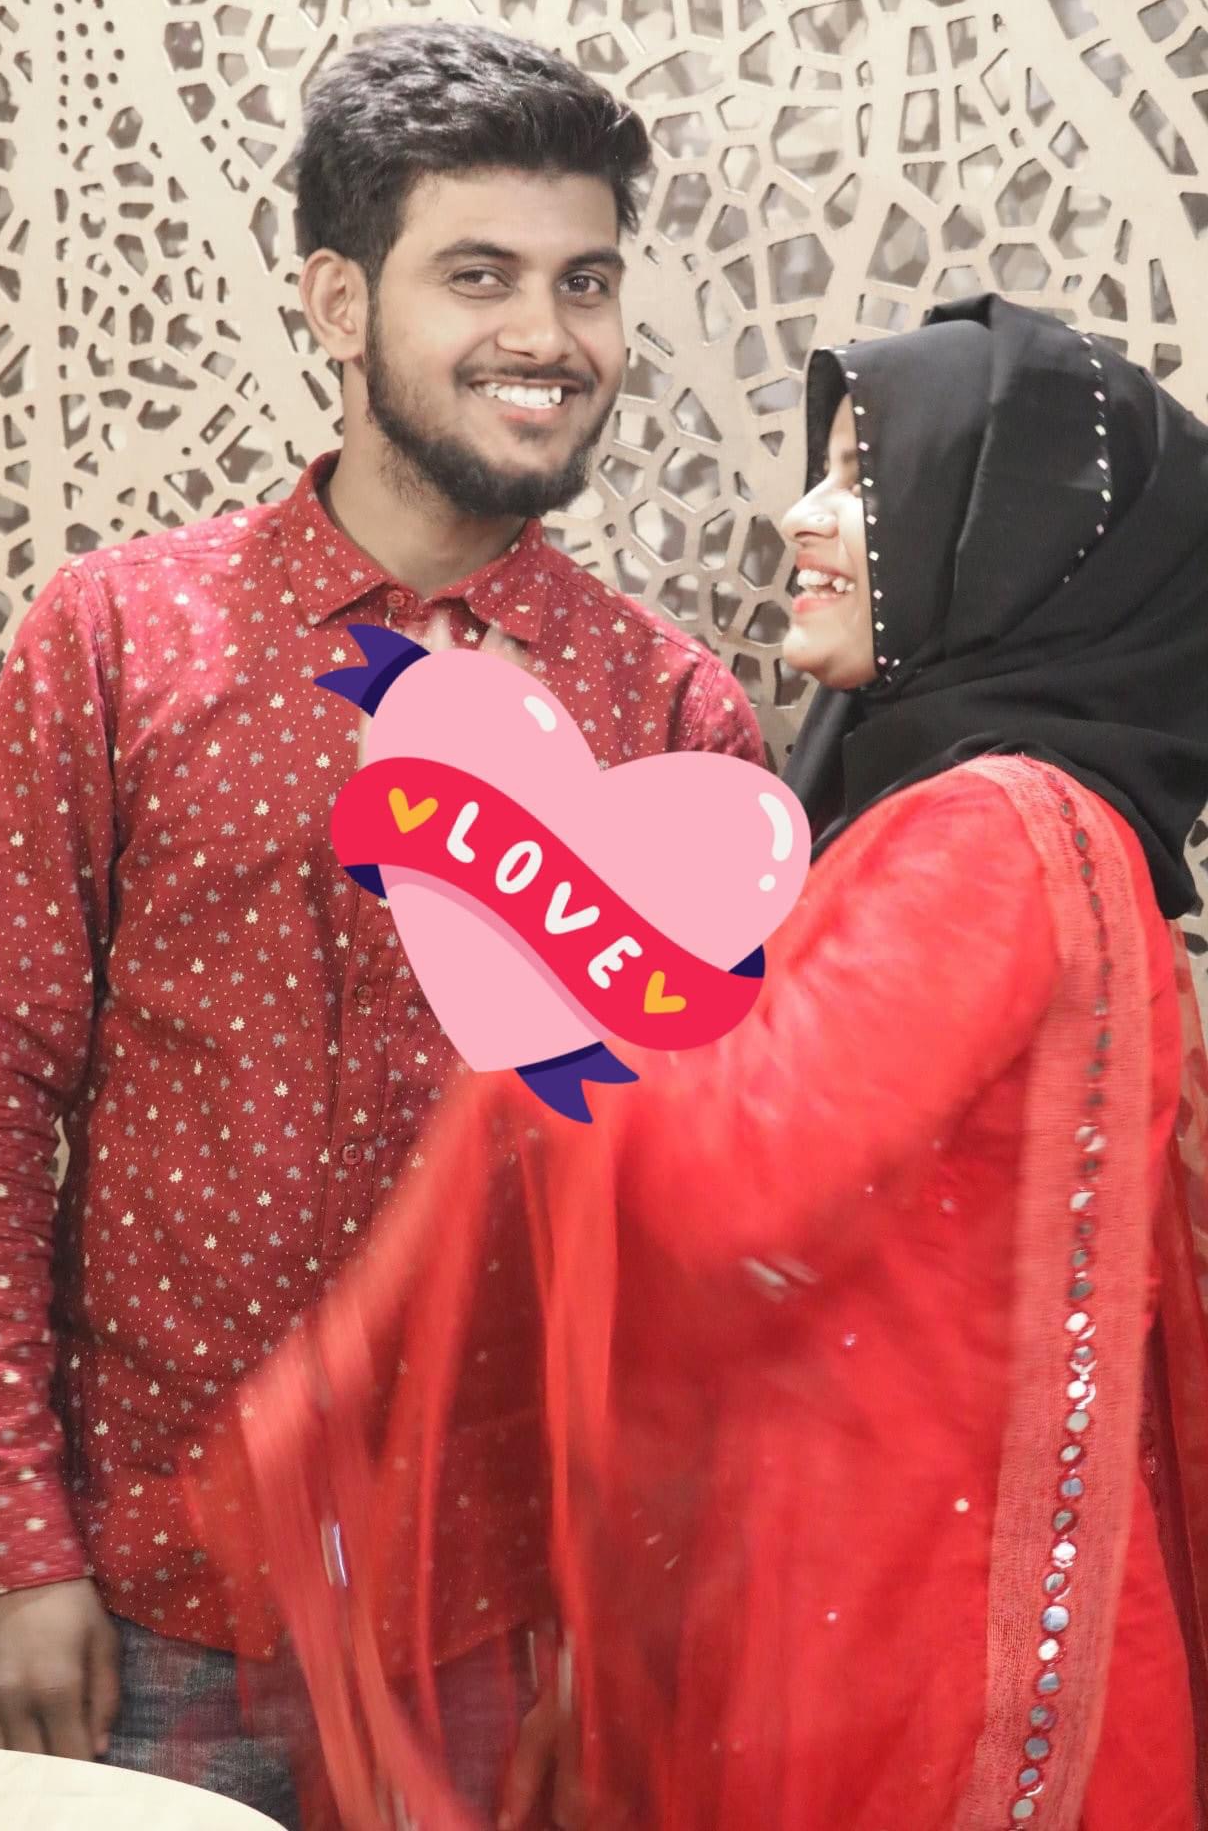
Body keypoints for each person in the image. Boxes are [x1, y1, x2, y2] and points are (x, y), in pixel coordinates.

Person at [0, 20, 763, 1829]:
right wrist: (9, 1546)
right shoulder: (118, 640)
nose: (549, 334)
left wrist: (635, 1606)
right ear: (339, 301)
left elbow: (704, 1241)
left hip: (503, 1632)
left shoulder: (672, 717)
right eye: (480, 275)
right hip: (148, 1606)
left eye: (586, 280)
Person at [203, 293, 1208, 1829]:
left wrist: (511, 873)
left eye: (864, 480)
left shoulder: (995, 832)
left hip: (937, 1681)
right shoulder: (999, 817)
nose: (801, 516)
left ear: (1004, 547)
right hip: (887, 1616)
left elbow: (735, 1179)